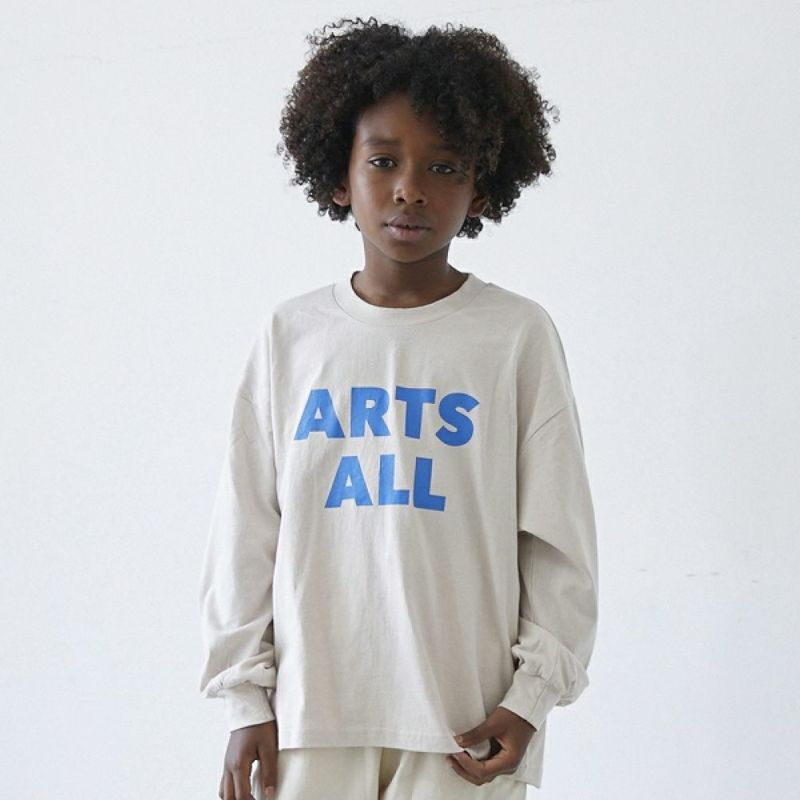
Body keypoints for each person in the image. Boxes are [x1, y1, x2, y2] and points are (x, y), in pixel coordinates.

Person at [198, 16, 599, 800]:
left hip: (465, 721)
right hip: (311, 715)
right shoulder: (292, 336)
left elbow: (558, 538)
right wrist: (245, 699)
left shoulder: (515, 336)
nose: (410, 188)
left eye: (444, 166)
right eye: (383, 161)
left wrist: (532, 697)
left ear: (482, 187)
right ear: (338, 177)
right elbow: (245, 528)